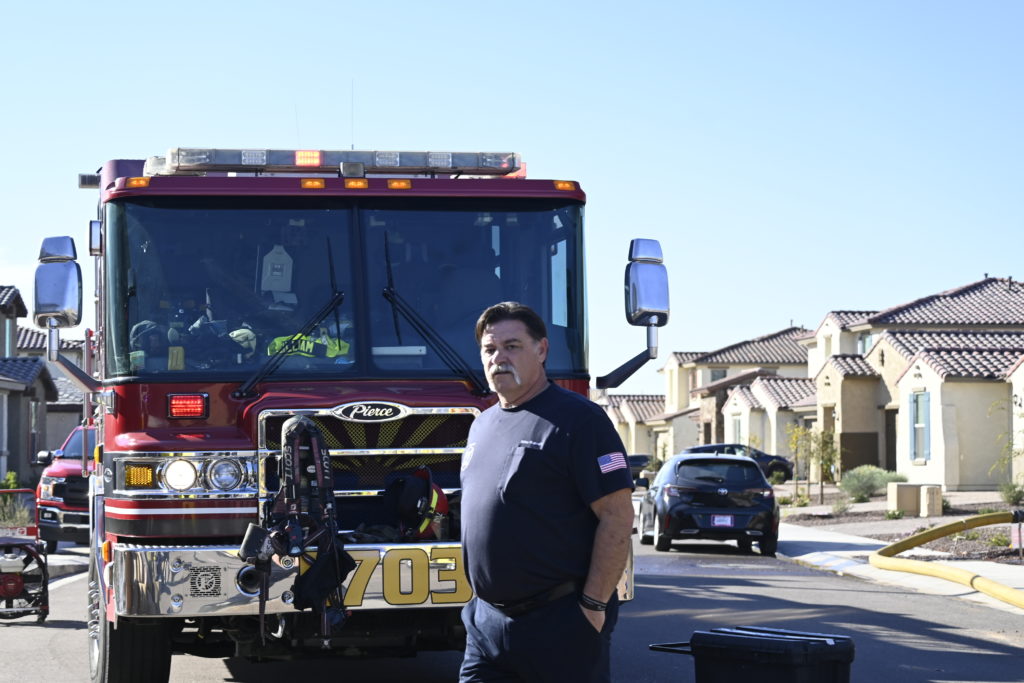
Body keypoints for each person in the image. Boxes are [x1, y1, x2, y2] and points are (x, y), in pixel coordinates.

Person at [458, 301, 635, 683]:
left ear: (541, 350)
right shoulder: (481, 425)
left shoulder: (580, 420)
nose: (498, 358)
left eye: (512, 346)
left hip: (559, 625)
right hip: (486, 625)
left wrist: (592, 607)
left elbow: (618, 515)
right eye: (490, 349)